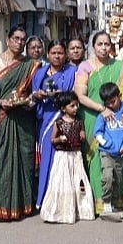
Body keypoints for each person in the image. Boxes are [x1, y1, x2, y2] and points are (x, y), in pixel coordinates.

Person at [75, 30, 123, 216]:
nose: (103, 48)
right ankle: (99, 202)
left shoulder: (121, 66)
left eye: (106, 44)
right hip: (93, 117)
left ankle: (116, 200)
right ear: (93, 47)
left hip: (118, 120)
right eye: (99, 44)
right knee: (96, 160)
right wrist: (102, 109)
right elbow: (80, 96)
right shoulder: (85, 67)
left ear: (112, 46)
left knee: (117, 157)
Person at [0, 31, 41, 221]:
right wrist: (0, 102)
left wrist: (28, 102)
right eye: (16, 39)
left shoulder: (31, 64)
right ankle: (0, 205)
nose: (19, 42)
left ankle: (23, 206)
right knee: (2, 160)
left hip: (24, 117)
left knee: (24, 160)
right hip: (3, 116)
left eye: (22, 40)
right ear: (8, 39)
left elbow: (34, 92)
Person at [33, 40, 78, 208]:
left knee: (64, 159)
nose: (57, 56)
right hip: (46, 120)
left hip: (65, 119)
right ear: (47, 54)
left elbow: (75, 95)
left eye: (60, 53)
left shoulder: (72, 71)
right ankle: (45, 199)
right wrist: (37, 95)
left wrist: (62, 96)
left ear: (65, 55)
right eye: (53, 53)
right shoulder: (40, 73)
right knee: (47, 159)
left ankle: (64, 202)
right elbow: (33, 96)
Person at [39, 91, 94, 223]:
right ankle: (61, 212)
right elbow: (52, 140)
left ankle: (81, 210)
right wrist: (60, 139)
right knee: (63, 182)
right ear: (63, 108)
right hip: (63, 157)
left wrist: (82, 136)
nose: (76, 108)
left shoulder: (79, 121)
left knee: (78, 182)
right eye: (72, 106)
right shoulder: (58, 123)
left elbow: (81, 135)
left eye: (76, 105)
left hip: (76, 156)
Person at [92, 81, 123, 221]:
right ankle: (106, 205)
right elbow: (97, 133)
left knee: (117, 180)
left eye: (113, 101)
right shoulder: (103, 115)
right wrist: (108, 144)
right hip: (106, 152)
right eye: (108, 103)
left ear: (119, 96)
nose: (111, 105)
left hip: (120, 154)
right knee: (107, 177)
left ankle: (113, 205)